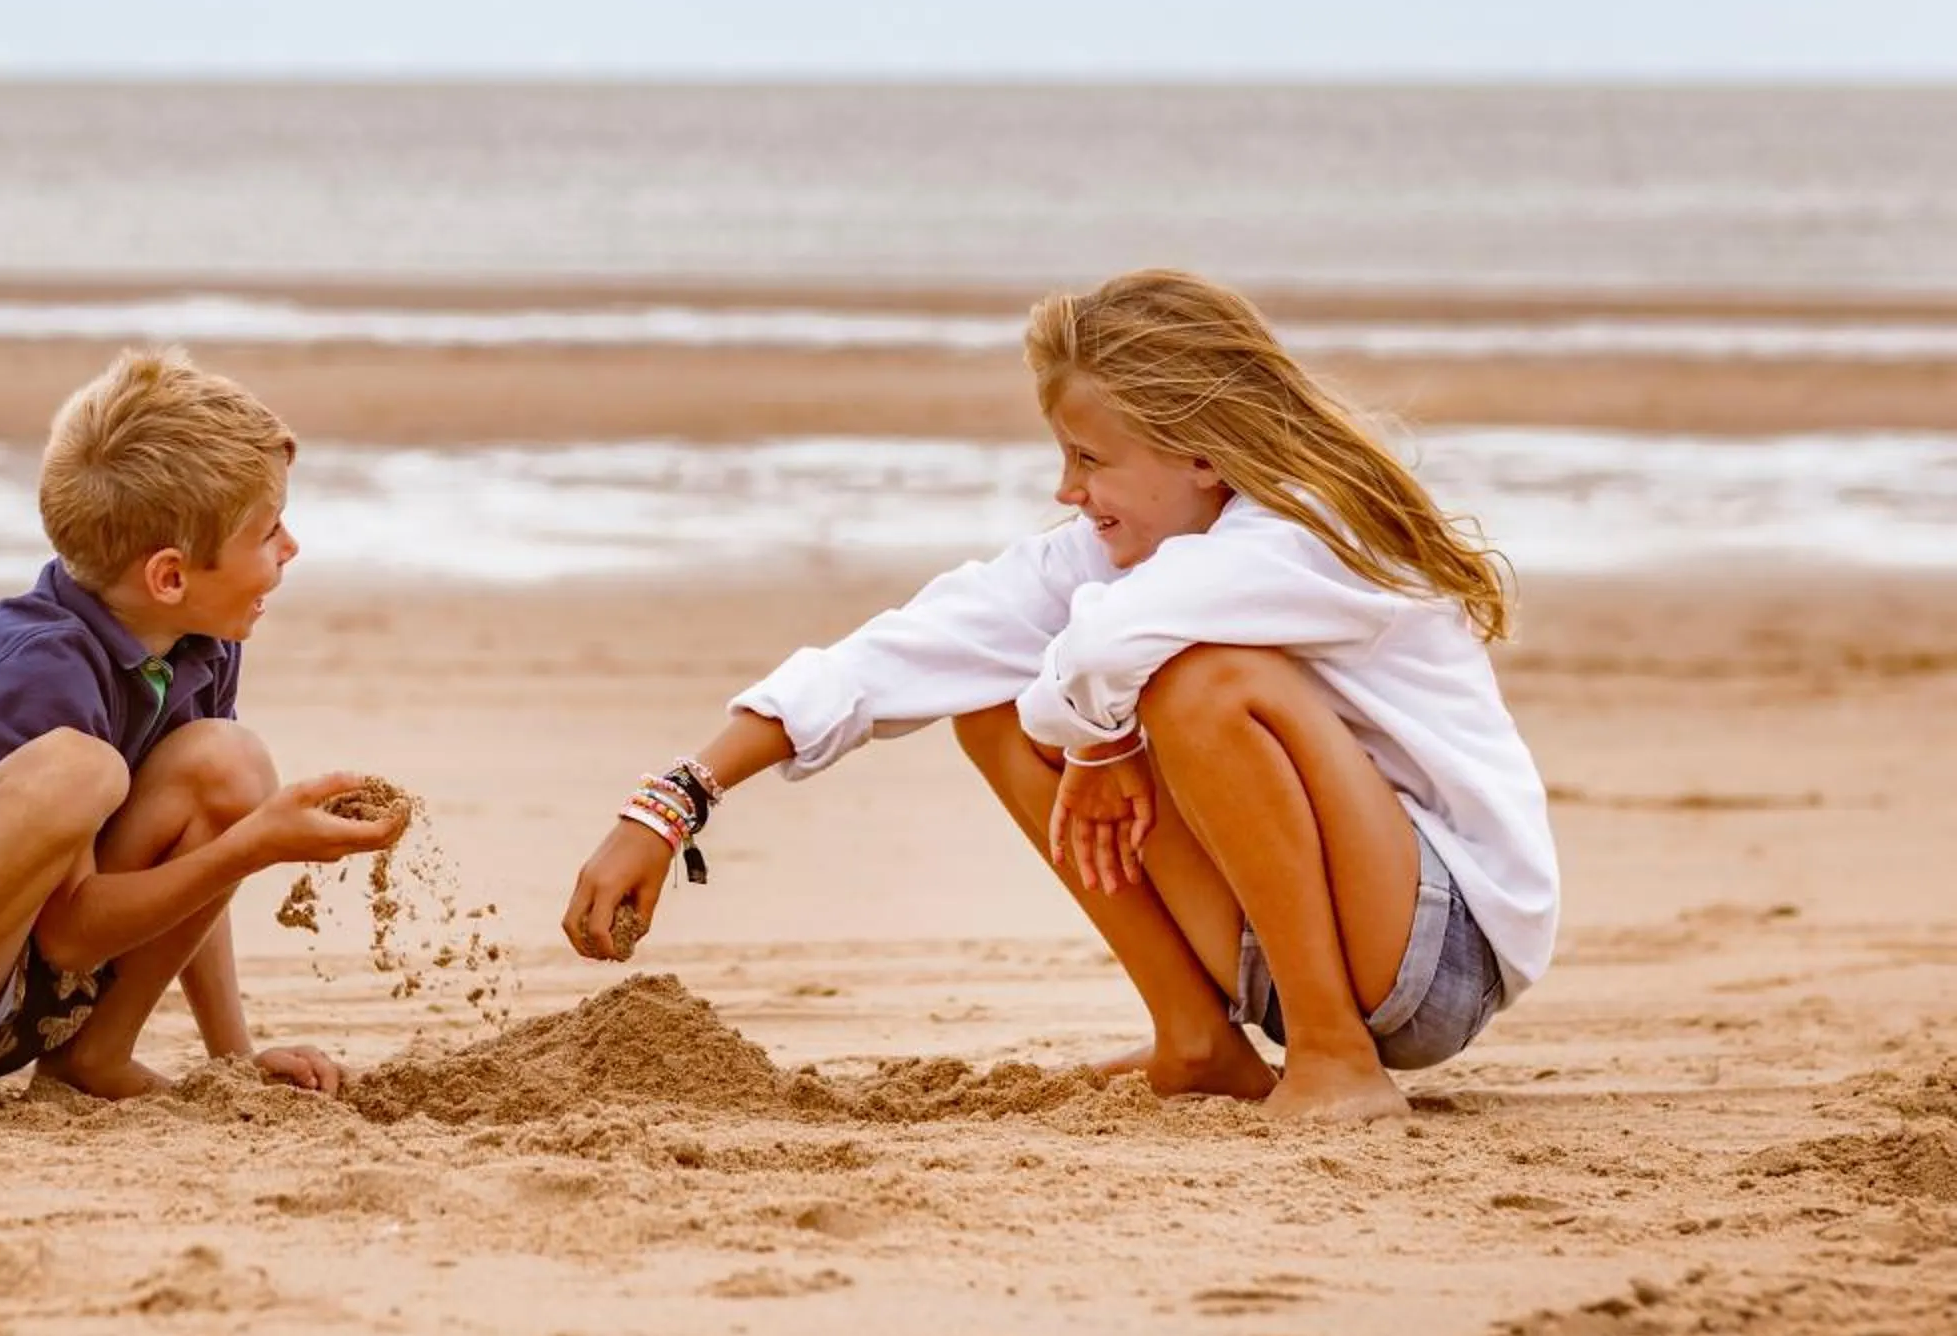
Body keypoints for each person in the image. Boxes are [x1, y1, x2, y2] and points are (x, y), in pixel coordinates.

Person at [563, 270, 1559, 1123]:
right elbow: (912, 647)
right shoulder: (1126, 551)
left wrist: (1098, 744)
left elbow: (1114, 644)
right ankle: (1198, 1041)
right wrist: (677, 798)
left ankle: (1339, 1061)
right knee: (992, 694)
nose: (1067, 488)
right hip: (1296, 941)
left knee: (1202, 682)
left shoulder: (1311, 531)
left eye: (1090, 458)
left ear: (1203, 453)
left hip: (1437, 952)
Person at [0, 346, 405, 1120]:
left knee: (229, 763)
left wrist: (234, 1057)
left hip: (29, 983)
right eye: (269, 532)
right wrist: (257, 845)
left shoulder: (201, 642)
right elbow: (69, 935)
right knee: (81, 769)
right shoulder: (38, 663)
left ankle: (95, 1053)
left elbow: (191, 853)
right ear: (169, 576)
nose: (290, 548)